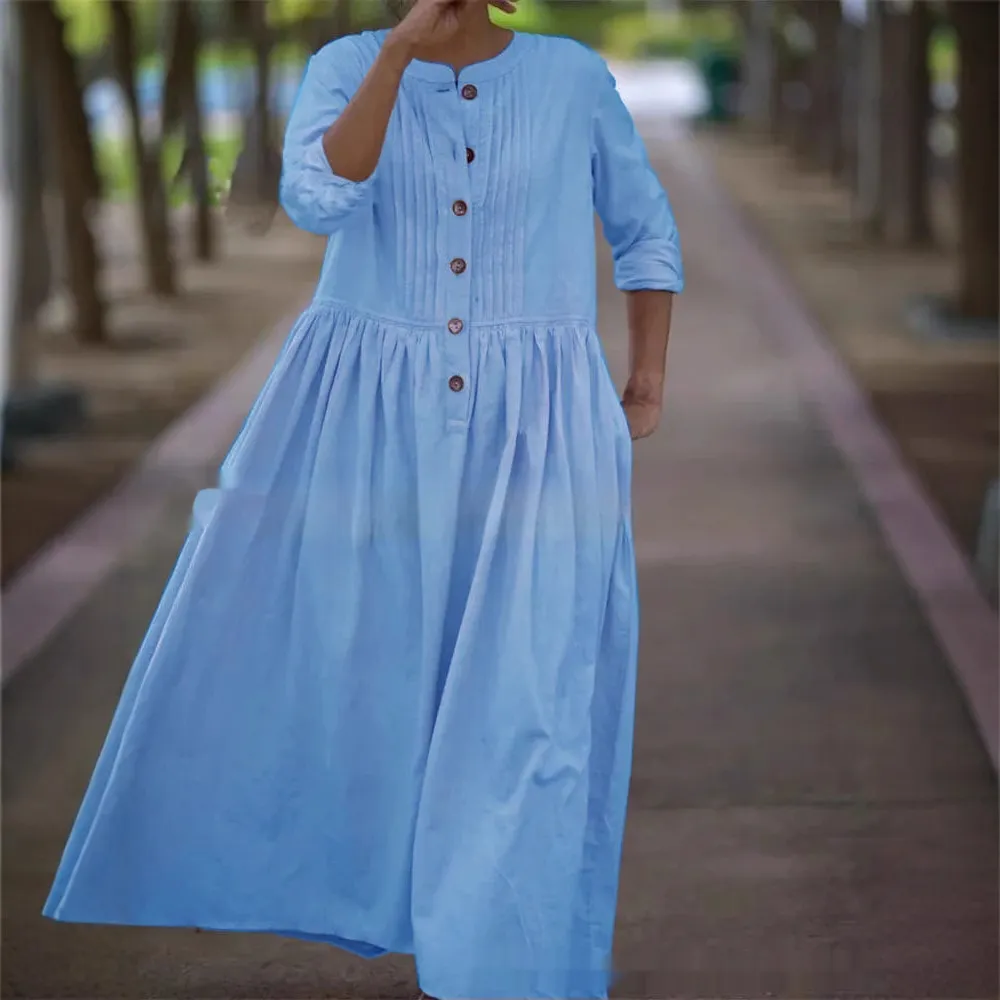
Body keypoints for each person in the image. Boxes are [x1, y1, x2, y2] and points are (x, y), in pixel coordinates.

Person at [42, 0, 683, 997]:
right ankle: (364, 897)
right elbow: (318, 199)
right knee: (355, 680)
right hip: (365, 419)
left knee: (532, 701)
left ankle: (499, 966)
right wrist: (397, 55)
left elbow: (645, 232)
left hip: (540, 430)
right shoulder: (346, 66)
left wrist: (644, 381)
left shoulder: (570, 77)